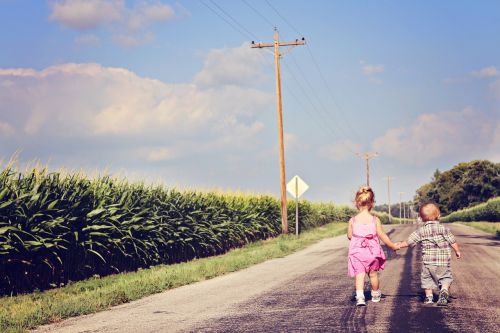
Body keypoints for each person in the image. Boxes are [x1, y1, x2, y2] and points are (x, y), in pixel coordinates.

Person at [396, 202, 461, 306]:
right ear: (438, 216)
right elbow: (452, 241)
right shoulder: (444, 229)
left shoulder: (421, 231)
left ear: (421, 219)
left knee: (427, 280)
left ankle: (429, 298)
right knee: (445, 278)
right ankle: (444, 290)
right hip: (443, 262)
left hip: (428, 263)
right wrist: (457, 251)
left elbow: (409, 241)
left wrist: (398, 245)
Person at [347, 186, 399, 306]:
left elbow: (350, 236)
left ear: (356, 203)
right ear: (372, 204)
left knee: (359, 275)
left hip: (358, 252)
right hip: (372, 252)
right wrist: (392, 246)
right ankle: (375, 294)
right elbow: (382, 235)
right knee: (373, 274)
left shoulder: (353, 220)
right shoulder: (375, 220)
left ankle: (360, 297)